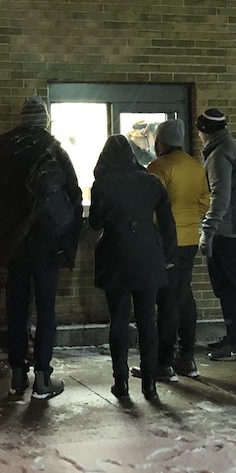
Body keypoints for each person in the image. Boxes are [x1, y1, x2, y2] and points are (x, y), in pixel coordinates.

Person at [0, 94, 84, 400]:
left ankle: (17, 375)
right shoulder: (55, 150)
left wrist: (4, 230)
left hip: (14, 244)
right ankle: (42, 376)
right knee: (46, 310)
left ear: (22, 118)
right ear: (44, 119)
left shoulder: (0, 149)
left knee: (16, 309)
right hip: (47, 243)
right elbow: (74, 196)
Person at [89, 134, 176, 403]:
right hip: (148, 255)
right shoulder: (150, 181)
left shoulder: (103, 184)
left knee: (119, 319)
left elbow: (95, 223)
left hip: (115, 254)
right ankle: (149, 384)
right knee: (147, 319)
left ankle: (121, 382)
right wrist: (167, 254)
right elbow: (167, 221)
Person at [137, 118, 210, 381]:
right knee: (184, 295)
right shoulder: (195, 167)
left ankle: (164, 363)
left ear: (162, 143)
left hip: (166, 242)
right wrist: (191, 220)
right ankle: (187, 357)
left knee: (167, 300)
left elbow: (149, 204)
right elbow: (205, 201)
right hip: (190, 239)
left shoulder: (158, 167)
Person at [195, 107, 236, 362]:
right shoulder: (229, 149)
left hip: (226, 231)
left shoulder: (219, 156)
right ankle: (233, 338)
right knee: (229, 286)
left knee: (228, 287)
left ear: (204, 131)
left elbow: (220, 198)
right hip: (234, 228)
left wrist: (207, 231)